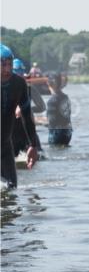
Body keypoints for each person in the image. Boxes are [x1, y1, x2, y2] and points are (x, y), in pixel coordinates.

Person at [1, 45, 41, 187]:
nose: (7, 69)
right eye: (2, 65)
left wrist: (33, 145)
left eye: (9, 64)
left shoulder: (19, 84)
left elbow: (26, 115)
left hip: (5, 147)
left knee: (11, 189)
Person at [45, 72, 73, 146]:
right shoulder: (66, 97)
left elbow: (51, 121)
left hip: (56, 134)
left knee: (54, 154)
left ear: (48, 83)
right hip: (68, 133)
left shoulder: (52, 101)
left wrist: (34, 121)